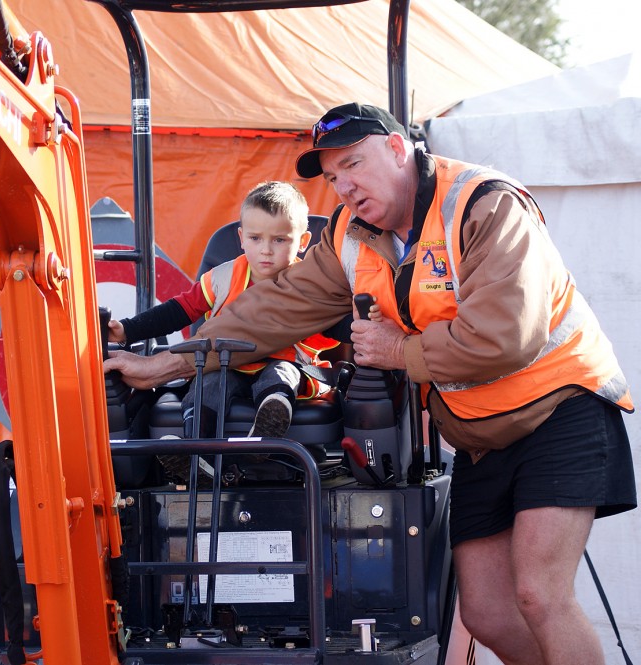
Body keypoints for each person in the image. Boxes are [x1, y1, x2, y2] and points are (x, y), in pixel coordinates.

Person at [104, 102, 636, 665]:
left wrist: (400, 352)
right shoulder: (349, 237)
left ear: (398, 148)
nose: (345, 187)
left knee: (539, 594)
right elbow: (273, 309)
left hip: (560, 409)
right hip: (482, 436)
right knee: (486, 613)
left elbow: (507, 334)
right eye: (333, 178)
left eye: (354, 165)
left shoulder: (484, 204)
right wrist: (163, 365)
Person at [109, 180, 337, 441]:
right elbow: (179, 310)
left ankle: (270, 422)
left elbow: (335, 322)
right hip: (226, 368)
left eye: (279, 240)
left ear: (303, 241)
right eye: (255, 238)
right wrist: (128, 329)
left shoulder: (310, 283)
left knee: (281, 374)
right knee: (208, 383)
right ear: (241, 238)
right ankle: (194, 449)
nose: (266, 250)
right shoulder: (222, 278)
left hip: (285, 363)